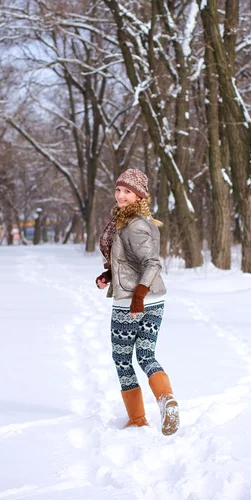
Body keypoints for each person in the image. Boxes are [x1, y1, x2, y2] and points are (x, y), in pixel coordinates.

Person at [96, 168, 180, 436]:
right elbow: (131, 261)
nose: (120, 195)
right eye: (119, 189)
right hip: (154, 300)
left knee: (122, 359)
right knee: (145, 355)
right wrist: (109, 274)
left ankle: (137, 419)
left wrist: (138, 297)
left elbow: (152, 262)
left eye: (127, 192)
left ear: (139, 196)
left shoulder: (133, 225)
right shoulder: (137, 221)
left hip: (134, 302)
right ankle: (167, 400)